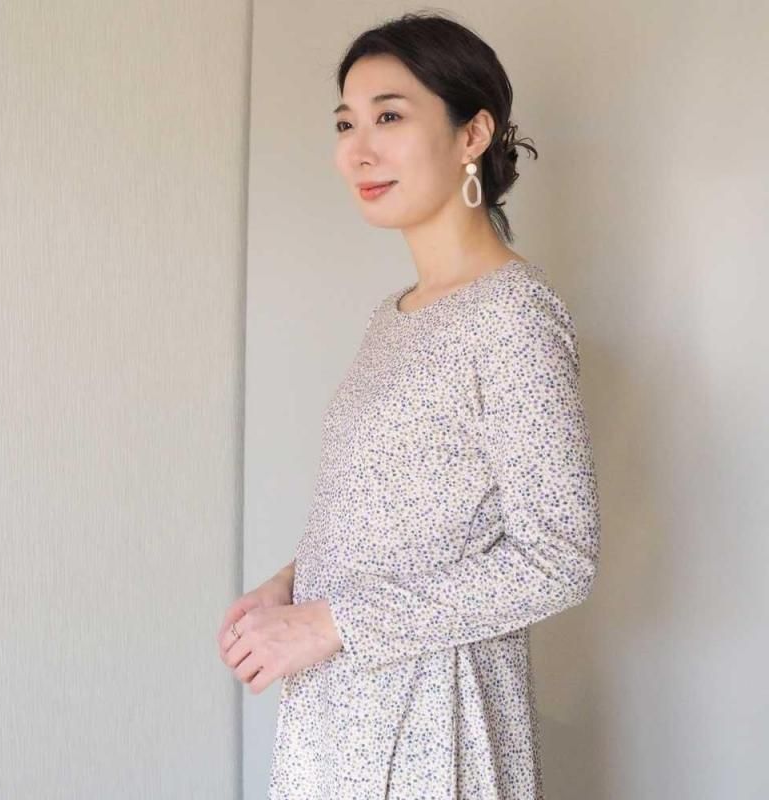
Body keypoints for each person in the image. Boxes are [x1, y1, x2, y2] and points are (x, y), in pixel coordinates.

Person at [217, 10, 601, 799]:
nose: (357, 149)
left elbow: (559, 558)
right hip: (339, 706)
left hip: (433, 714)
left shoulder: (513, 316)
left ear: (472, 134)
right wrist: (293, 584)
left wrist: (330, 623)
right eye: (345, 123)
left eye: (389, 116)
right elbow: (398, 516)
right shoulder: (393, 316)